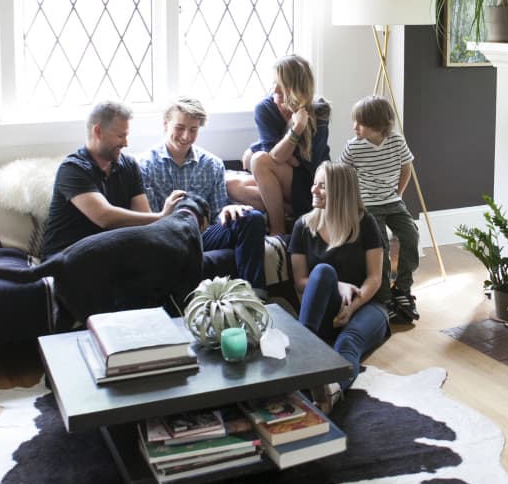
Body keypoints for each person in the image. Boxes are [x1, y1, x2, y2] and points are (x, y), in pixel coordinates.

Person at [138, 96, 267, 293]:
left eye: (193, 129)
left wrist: (228, 209)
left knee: (252, 218)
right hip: (166, 237)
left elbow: (216, 215)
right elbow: (149, 220)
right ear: (165, 124)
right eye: (179, 128)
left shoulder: (212, 164)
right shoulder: (144, 165)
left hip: (204, 236)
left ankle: (254, 296)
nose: (186, 136)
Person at [288, 161, 389, 412]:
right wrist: (338, 284)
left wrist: (352, 307)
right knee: (323, 272)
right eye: (315, 184)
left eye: (322, 186)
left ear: (340, 192)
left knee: (348, 341)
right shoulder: (303, 226)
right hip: (326, 306)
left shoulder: (365, 223)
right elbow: (300, 281)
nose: (314, 190)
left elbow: (374, 278)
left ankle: (329, 392)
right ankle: (303, 358)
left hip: (368, 304)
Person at [42, 100, 185, 259]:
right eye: (120, 136)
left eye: (126, 135)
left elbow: (144, 220)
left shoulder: (129, 165)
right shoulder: (72, 169)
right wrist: (162, 216)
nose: (125, 143)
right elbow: (104, 217)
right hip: (66, 257)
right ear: (98, 131)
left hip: (108, 254)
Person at [227, 54, 331, 235]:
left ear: (296, 86)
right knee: (230, 184)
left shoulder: (319, 109)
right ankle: (288, 209)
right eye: (273, 82)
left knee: (258, 160)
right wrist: (291, 140)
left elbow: (307, 162)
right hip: (285, 178)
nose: (274, 88)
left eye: (280, 83)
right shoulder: (264, 108)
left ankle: (278, 230)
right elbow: (277, 156)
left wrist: (297, 127)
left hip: (311, 181)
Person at [340, 95, 420, 323]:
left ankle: (403, 289)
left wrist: (399, 192)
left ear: (377, 126)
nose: (354, 127)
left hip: (392, 201)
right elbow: (342, 174)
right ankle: (384, 297)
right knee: (381, 248)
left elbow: (407, 167)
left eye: (360, 123)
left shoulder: (396, 141)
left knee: (411, 235)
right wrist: (354, 202)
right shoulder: (354, 147)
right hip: (368, 205)